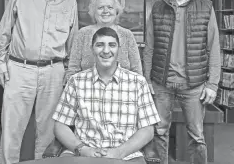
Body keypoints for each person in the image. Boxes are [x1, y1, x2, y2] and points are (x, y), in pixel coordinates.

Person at [0, 0, 78, 164]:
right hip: (20, 69)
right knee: (12, 127)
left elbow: (73, 41)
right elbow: (4, 30)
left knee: (48, 130)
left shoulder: (70, 1)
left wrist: (69, 72)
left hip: (54, 71)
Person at [142, 0, 220, 164]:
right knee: (159, 131)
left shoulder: (205, 7)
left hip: (194, 83)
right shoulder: (158, 8)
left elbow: (214, 48)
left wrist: (212, 84)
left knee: (196, 135)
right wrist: (147, 79)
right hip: (161, 82)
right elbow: (149, 46)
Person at [52, 27, 161, 164]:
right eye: (99, 45)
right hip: (82, 155)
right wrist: (82, 149)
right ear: (92, 49)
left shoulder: (138, 83)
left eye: (112, 45)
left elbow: (148, 130)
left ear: (119, 49)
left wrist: (118, 152)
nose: (106, 51)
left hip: (127, 156)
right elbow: (60, 125)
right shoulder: (76, 81)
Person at [64, 0, 142, 83]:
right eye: (101, 7)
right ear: (93, 12)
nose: (106, 11)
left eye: (110, 7)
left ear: (116, 11)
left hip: (123, 92)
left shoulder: (127, 35)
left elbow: (137, 71)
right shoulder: (82, 34)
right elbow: (73, 69)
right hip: (87, 91)